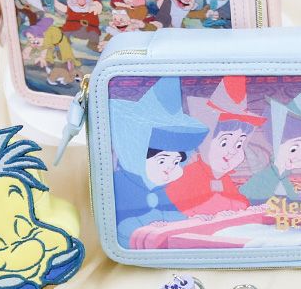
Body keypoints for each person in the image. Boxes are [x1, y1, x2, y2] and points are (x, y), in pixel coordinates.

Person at [110, 77, 206, 244]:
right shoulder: (119, 182)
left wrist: (192, 220)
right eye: (162, 161)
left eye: (176, 162)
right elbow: (121, 222)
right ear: (136, 154)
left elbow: (173, 212)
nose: (170, 168)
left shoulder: (163, 188)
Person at [166, 77, 264, 216]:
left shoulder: (223, 177)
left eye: (239, 145)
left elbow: (238, 200)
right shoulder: (187, 175)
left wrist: (244, 209)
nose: (232, 151)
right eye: (224, 143)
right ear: (205, 142)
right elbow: (175, 208)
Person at [239, 76, 301, 203]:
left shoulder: (282, 177)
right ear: (277, 139)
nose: (299, 157)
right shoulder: (265, 179)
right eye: (294, 149)